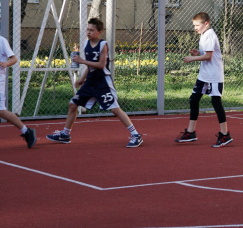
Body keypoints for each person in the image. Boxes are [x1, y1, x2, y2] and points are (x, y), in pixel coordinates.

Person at [46, 18, 142, 147]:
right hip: (90, 82)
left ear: (99, 32)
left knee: (115, 109)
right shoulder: (86, 44)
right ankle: (65, 134)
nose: (88, 32)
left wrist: (82, 61)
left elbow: (101, 65)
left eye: (92, 30)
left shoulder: (103, 45)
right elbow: (90, 66)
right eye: (87, 29)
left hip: (102, 82)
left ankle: (136, 135)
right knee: (72, 104)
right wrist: (82, 78)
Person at [175, 12, 231, 147]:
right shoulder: (204, 35)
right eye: (194, 25)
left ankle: (225, 135)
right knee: (193, 99)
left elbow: (209, 57)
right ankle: (190, 132)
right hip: (204, 75)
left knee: (216, 102)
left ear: (206, 24)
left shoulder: (210, 35)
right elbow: (206, 53)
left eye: (197, 25)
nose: (195, 28)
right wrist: (198, 53)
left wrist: (192, 59)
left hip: (214, 75)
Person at [0, 34, 36, 148]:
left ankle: (27, 131)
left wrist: (6, 63)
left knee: (1, 111)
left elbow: (14, 59)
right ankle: (26, 131)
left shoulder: (2, 41)